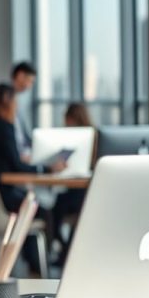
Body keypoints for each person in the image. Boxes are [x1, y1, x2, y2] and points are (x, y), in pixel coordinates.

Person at [0, 83, 66, 276]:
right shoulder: (4, 127)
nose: (17, 107)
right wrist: (48, 168)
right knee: (39, 210)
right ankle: (44, 265)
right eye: (15, 101)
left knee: (28, 204)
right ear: (6, 101)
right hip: (3, 198)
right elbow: (17, 165)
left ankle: (35, 265)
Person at [51, 103, 94, 266]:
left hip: (88, 191)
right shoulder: (69, 140)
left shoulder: (95, 138)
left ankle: (67, 253)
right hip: (74, 188)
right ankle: (65, 251)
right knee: (57, 207)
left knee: (62, 206)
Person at [11, 61, 37, 161]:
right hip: (16, 158)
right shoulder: (4, 100)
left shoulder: (18, 102)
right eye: (30, 81)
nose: (30, 86)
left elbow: (24, 137)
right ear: (21, 76)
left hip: (23, 155)